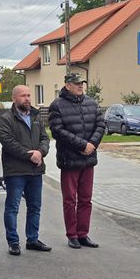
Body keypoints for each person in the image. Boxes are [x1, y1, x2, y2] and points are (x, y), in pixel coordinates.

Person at [48, 73, 105, 249]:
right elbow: (57, 131)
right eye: (76, 83)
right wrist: (82, 145)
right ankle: (72, 235)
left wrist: (91, 144)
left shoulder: (91, 103)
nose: (80, 86)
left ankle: (83, 234)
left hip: (88, 159)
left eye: (82, 83)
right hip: (70, 160)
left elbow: (100, 125)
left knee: (86, 199)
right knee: (70, 200)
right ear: (67, 85)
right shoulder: (57, 105)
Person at [0, 85, 51, 256]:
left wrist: (40, 152)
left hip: (35, 170)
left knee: (35, 207)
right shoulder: (6, 119)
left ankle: (32, 239)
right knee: (12, 208)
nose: (27, 98)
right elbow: (8, 143)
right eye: (23, 96)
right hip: (16, 171)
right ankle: (13, 242)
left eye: (28, 95)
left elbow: (45, 138)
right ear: (14, 98)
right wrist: (30, 155)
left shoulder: (36, 116)